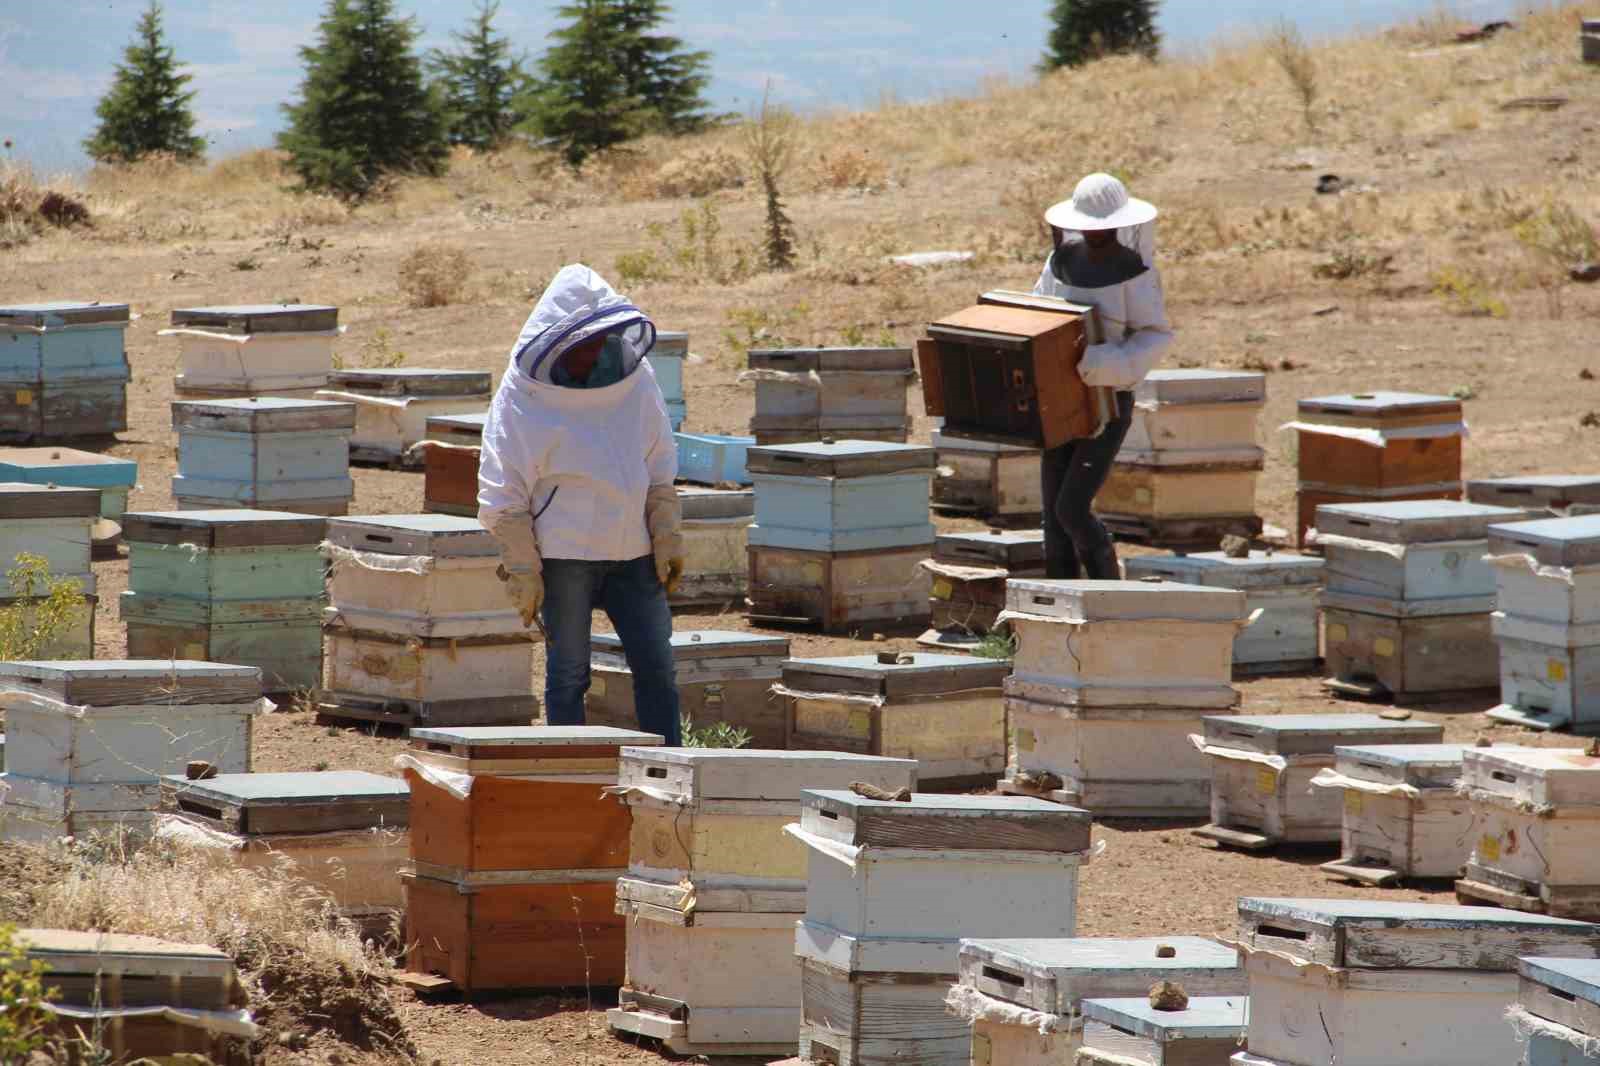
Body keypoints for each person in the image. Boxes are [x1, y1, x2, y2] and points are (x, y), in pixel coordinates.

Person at [477, 264, 684, 744]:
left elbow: (658, 459)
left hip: (634, 551)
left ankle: (671, 771)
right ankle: (570, 769)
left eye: (598, 341)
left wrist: (667, 529)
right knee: (568, 674)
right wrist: (524, 568)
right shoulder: (523, 394)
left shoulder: (634, 380)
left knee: (657, 668)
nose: (590, 354)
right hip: (564, 555)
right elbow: (503, 487)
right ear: (554, 343)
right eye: (579, 345)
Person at [1031, 172, 1173, 580]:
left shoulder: (1137, 273)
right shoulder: (1058, 263)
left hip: (1108, 404)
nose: (1096, 235)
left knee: (1070, 508)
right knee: (1052, 519)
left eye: (1105, 228)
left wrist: (1102, 362)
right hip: (1059, 399)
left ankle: (1110, 590)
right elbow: (1038, 311)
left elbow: (1155, 336)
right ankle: (1058, 606)